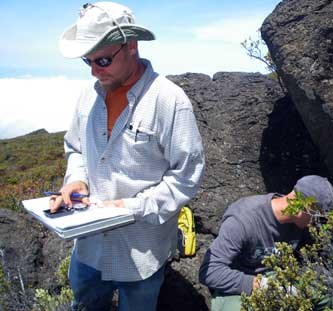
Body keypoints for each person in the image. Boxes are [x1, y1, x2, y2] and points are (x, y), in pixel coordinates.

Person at [50, 2, 205, 310]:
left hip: (141, 254)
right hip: (89, 248)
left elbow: (186, 177)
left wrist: (131, 207)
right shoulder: (87, 97)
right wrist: (77, 180)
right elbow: (76, 148)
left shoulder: (169, 100)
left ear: (131, 45)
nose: (95, 69)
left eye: (103, 59)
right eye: (87, 61)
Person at [199, 175, 333, 311]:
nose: (317, 223)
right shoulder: (243, 221)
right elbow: (210, 271)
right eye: (318, 216)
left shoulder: (301, 223)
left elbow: (313, 256)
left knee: (331, 293)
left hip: (278, 275)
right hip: (240, 283)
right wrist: (262, 285)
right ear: (306, 206)